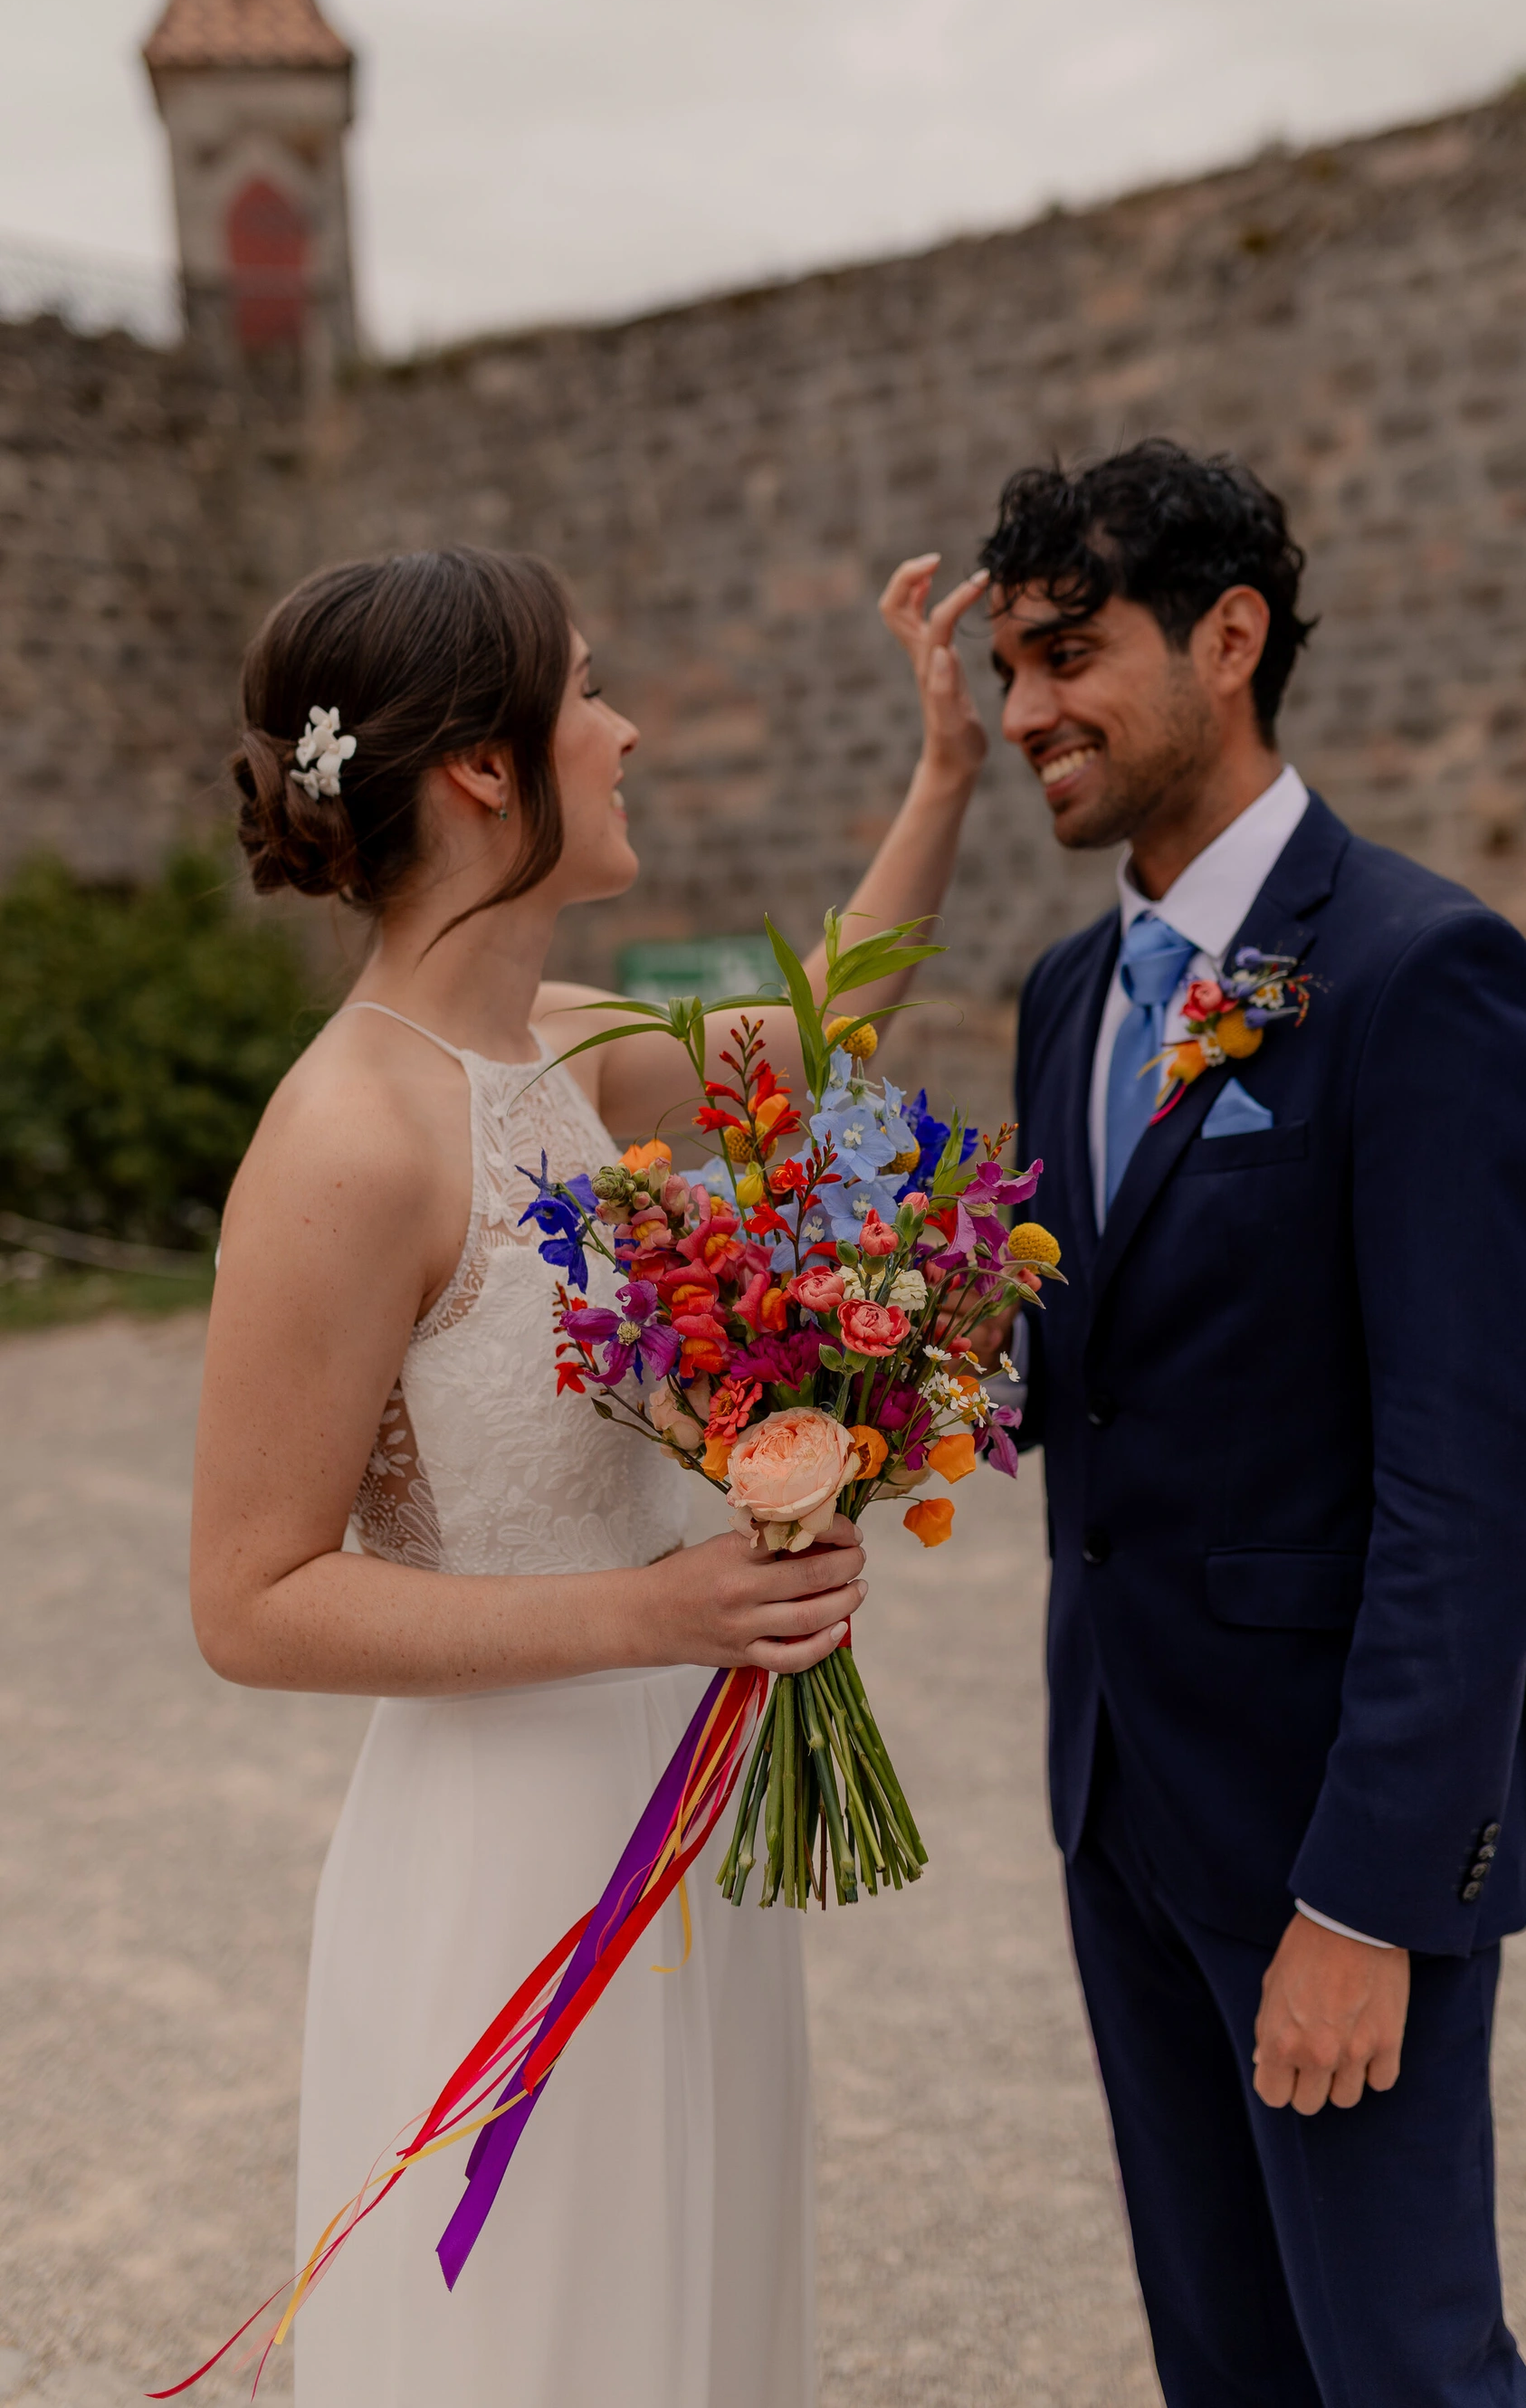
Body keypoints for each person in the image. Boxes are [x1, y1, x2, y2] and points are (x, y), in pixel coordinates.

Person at [190, 541, 986, 2408]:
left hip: (681, 1804)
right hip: (506, 1853)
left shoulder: (556, 1049)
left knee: (690, 2319)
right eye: (589, 692)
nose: (623, 730)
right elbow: (248, 1599)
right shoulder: (347, 1137)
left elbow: (819, 1039)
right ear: (484, 766)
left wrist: (943, 775)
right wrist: (653, 1607)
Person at [881, 443, 1526, 2407]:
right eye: (1008, 665)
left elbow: (1474, 1488)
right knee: (1226, 2365)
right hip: (1119, 1796)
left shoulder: (1421, 977)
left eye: (1066, 654)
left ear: (1230, 636)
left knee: (1401, 2368)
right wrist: (831, 1388)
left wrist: (1364, 1897)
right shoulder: (1060, 994)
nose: (1025, 708)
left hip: (1328, 1833)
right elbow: (1082, 1363)